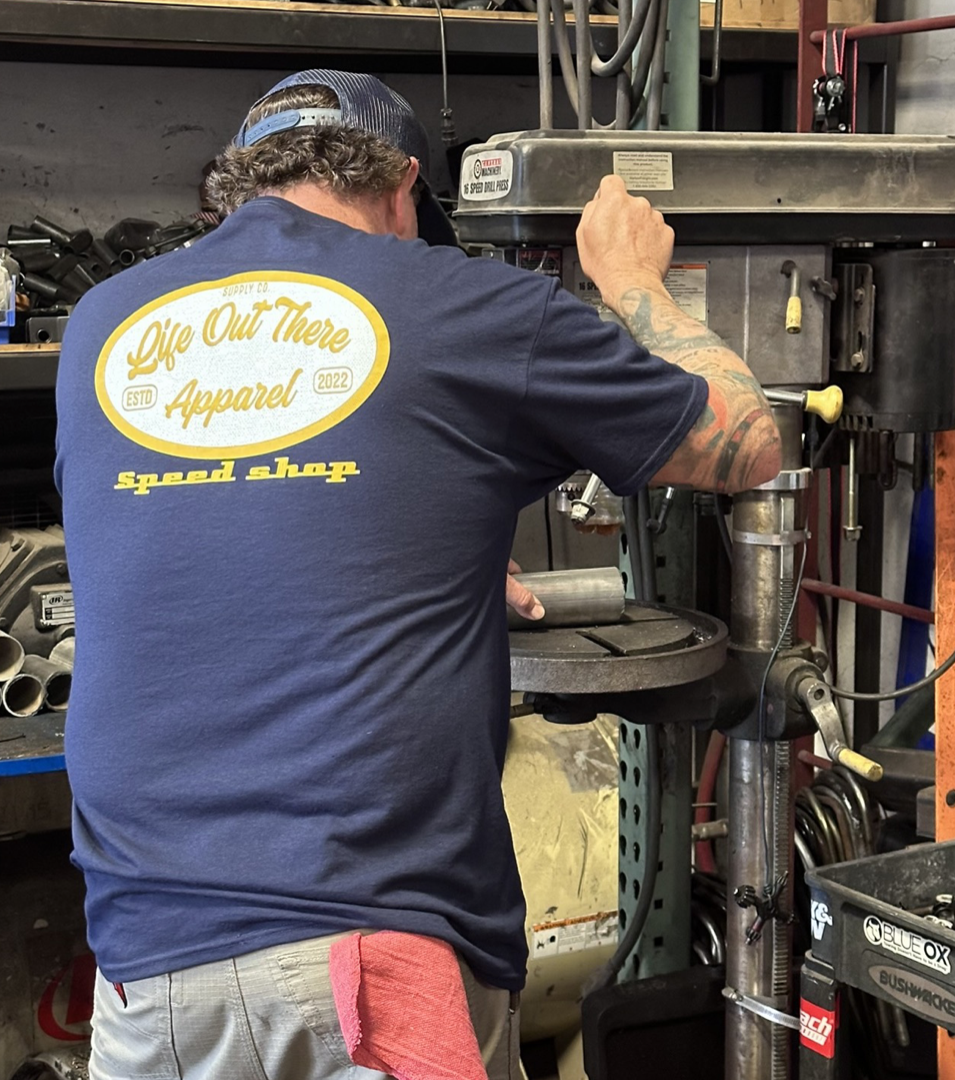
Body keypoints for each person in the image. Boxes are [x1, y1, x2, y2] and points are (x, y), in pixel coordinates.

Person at [54, 70, 780, 1080]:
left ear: (238, 185)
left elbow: (207, 524)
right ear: (402, 188)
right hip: (367, 942)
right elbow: (743, 443)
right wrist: (633, 282)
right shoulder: (464, 301)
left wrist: (426, 553)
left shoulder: (102, 325)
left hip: (147, 960)